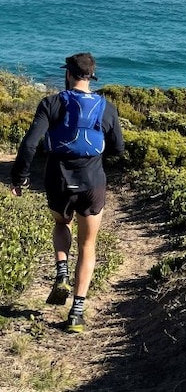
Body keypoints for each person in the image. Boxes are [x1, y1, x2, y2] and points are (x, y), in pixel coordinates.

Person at [10, 53, 124, 333]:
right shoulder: (106, 107)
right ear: (91, 77)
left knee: (62, 223)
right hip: (93, 181)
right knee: (88, 246)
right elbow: (118, 148)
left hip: (58, 179)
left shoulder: (51, 103)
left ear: (69, 75)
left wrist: (19, 177)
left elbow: (29, 145)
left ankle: (61, 271)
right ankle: (76, 313)